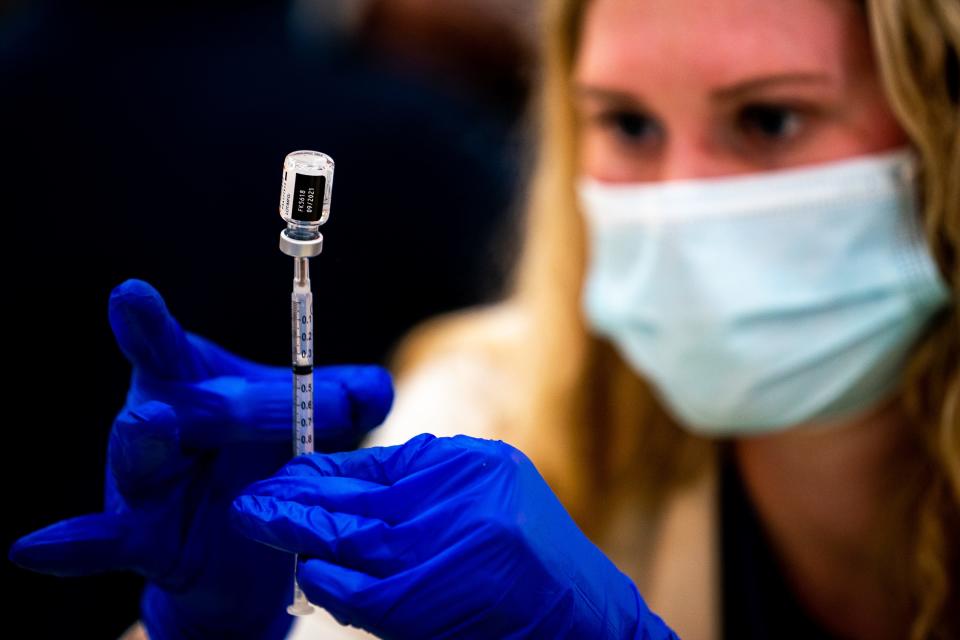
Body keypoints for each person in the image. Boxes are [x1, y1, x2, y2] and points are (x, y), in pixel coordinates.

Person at [9, 0, 959, 638]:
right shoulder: (492, 412)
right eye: (626, 124)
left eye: (769, 121)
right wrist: (240, 630)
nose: (679, 202)